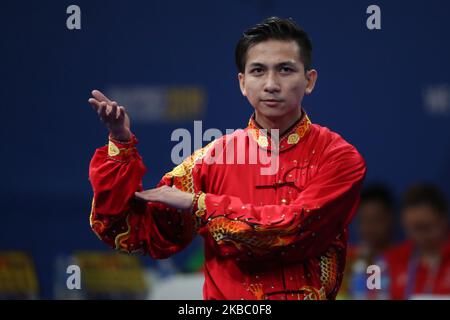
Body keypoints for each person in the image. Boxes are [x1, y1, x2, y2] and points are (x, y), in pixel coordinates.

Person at [88, 16, 366, 300]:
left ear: (309, 80)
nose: (271, 84)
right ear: (243, 83)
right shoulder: (210, 161)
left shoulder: (339, 158)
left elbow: (292, 230)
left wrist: (200, 204)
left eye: (285, 70)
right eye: (258, 71)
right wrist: (120, 146)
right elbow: (131, 234)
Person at [383, 184, 450, 299]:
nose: (420, 235)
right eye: (413, 228)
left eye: (426, 227)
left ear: (443, 220)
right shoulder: (390, 260)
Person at [340, 184, 396, 299]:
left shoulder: (403, 258)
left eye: (376, 220)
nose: (370, 227)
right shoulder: (346, 259)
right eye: (364, 220)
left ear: (391, 219)